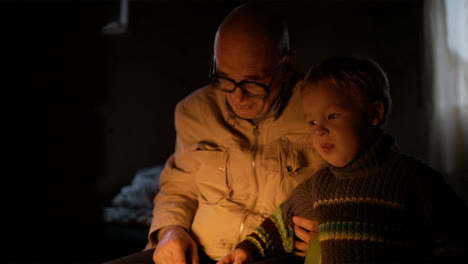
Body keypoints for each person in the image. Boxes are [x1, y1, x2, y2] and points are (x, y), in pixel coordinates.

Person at [103, 3, 326, 264]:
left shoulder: (320, 109)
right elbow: (178, 188)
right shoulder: (195, 111)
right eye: (224, 78)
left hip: (273, 255)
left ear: (286, 65)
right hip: (199, 253)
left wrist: (327, 230)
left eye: (252, 82)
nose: (236, 96)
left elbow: (352, 182)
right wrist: (170, 231)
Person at [216, 56, 468, 264]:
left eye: (332, 116)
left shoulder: (413, 177)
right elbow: (280, 223)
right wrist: (245, 251)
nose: (319, 130)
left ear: (374, 113)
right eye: (312, 122)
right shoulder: (319, 185)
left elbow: (456, 235)